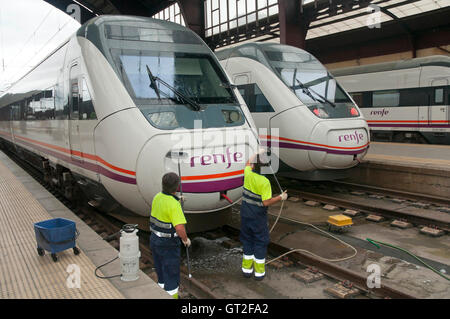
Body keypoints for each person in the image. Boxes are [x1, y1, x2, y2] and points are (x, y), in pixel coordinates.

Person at [240, 149, 287, 281]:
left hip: (245, 214)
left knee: (247, 240)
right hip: (257, 217)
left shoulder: (248, 173)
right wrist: (280, 197)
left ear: (254, 165)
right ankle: (259, 274)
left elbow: (247, 163)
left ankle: (246, 271)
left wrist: (256, 152)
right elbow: (266, 202)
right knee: (260, 242)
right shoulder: (264, 182)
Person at [150, 172, 191, 299]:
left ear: (163, 184)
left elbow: (164, 206)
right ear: (177, 187)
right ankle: (171, 295)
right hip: (168, 244)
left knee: (160, 269)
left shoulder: (157, 197)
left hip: (155, 240)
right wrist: (185, 240)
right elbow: (179, 227)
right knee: (171, 273)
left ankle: (160, 291)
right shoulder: (174, 205)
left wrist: (177, 199)